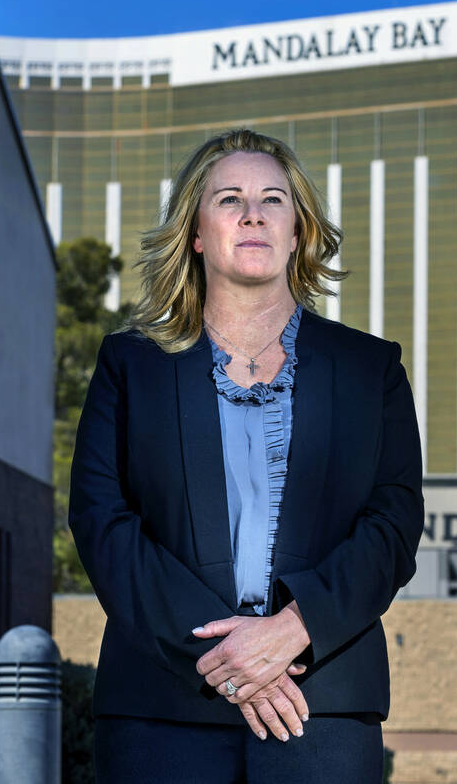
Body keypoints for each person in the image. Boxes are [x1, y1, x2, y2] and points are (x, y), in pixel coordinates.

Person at [69, 128, 424, 783]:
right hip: (160, 715)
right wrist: (229, 658)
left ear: (299, 231)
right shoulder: (130, 366)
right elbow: (102, 522)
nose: (254, 212)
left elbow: (392, 527)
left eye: (273, 200)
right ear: (198, 232)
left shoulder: (373, 369)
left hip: (321, 711)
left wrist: (295, 626)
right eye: (230, 198)